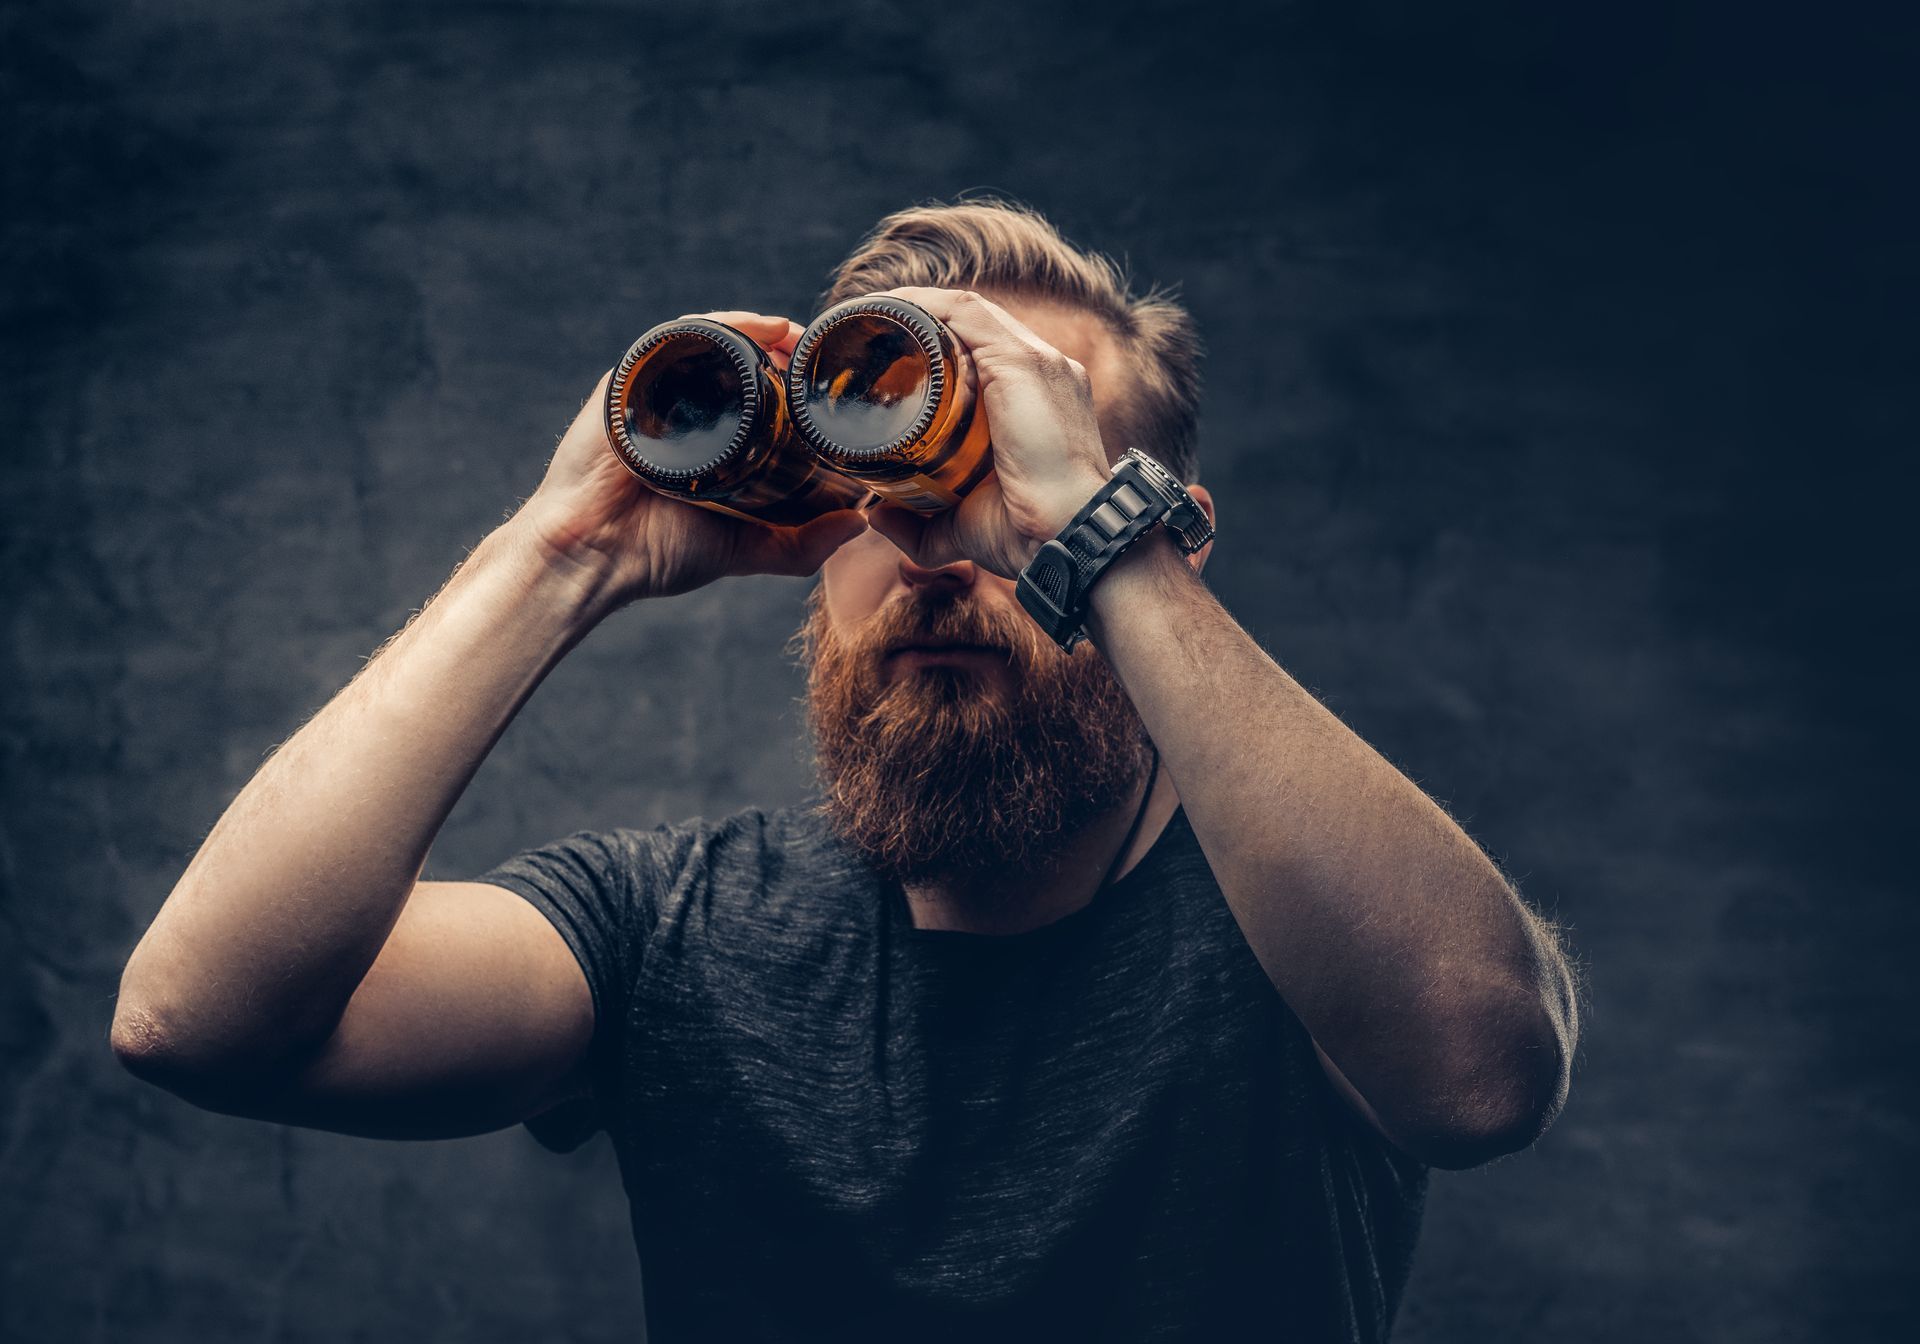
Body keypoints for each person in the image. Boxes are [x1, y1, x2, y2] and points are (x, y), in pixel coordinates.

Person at [111, 199, 1579, 1342]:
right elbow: (198, 1017)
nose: (939, 551)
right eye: (887, 496)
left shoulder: (1297, 919)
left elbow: (1480, 1076)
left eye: (1006, 487)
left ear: (1160, 529)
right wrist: (557, 559)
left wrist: (1089, 533)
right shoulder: (672, 932)